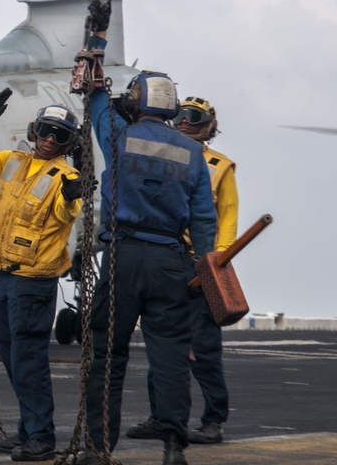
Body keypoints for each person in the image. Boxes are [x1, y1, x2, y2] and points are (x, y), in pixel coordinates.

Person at [80, 23, 218, 465]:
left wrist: (95, 45)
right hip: (171, 261)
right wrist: (202, 265)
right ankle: (175, 444)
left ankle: (99, 447)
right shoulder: (194, 152)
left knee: (107, 354)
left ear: (137, 100)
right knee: (172, 357)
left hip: (123, 256)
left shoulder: (120, 136)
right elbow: (202, 218)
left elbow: (96, 100)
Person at [0, 94, 84, 462]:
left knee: (28, 360)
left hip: (33, 282)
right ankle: (29, 429)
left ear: (68, 144)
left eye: (60, 136)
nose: (50, 139)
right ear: (35, 131)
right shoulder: (14, 162)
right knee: (12, 357)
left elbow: (65, 212)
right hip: (6, 278)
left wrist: (71, 197)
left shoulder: (67, 177)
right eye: (46, 131)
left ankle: (41, 437)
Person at [126, 96, 238, 445]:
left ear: (209, 127)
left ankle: (213, 420)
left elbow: (227, 225)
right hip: (166, 257)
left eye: (195, 117)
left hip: (199, 265)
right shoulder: (163, 153)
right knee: (162, 345)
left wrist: (212, 268)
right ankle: (161, 417)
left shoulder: (221, 167)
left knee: (204, 349)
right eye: (182, 115)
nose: (186, 122)